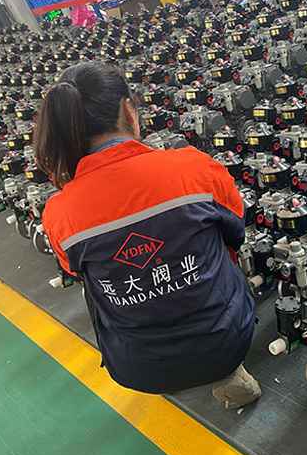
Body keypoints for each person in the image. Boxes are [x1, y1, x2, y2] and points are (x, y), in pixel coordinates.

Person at [34, 61, 261, 409]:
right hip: (225, 343)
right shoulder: (192, 168)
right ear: (128, 109)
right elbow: (236, 231)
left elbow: (75, 272)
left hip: (136, 366)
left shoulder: (59, 212)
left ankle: (171, 369)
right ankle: (227, 375)